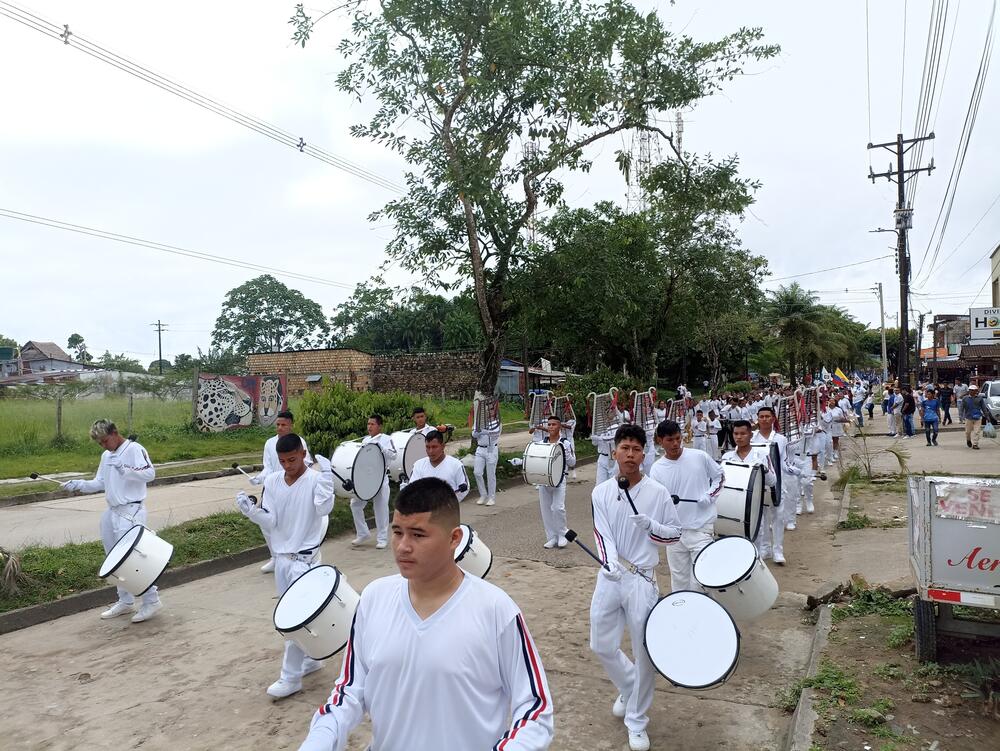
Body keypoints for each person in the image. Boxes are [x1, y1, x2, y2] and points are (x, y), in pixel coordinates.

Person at [298, 478, 554, 751]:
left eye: (418, 535)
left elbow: (535, 708)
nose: (403, 546)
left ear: (454, 538)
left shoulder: (496, 610)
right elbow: (350, 689)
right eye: (397, 532)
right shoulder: (373, 598)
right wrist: (321, 736)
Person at [590, 425, 680, 751]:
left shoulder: (657, 492)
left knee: (643, 652)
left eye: (636, 449)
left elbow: (675, 534)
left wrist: (652, 526)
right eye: (625, 448)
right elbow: (602, 534)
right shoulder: (600, 492)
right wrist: (610, 562)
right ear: (614, 451)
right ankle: (629, 686)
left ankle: (637, 720)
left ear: (644, 454)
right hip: (611, 576)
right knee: (601, 644)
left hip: (643, 579)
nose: (630, 454)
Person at [236, 433, 334, 698]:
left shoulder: (315, 480)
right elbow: (271, 522)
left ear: (303, 453)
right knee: (295, 617)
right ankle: (312, 659)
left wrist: (327, 482)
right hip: (282, 560)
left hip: (305, 561)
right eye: (282, 461)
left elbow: (324, 510)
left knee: (294, 619)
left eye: (292, 459)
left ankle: (290, 678)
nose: (288, 465)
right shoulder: (272, 481)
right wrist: (252, 512)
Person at [62, 419, 163, 623]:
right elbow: (100, 483)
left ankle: (151, 600)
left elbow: (151, 474)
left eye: (105, 441)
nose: (103, 445)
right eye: (100, 443)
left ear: (115, 433)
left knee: (133, 559)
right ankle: (125, 601)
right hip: (112, 511)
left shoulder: (135, 449)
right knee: (113, 559)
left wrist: (126, 469)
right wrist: (79, 485)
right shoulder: (106, 455)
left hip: (131, 510)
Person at [649, 420, 724, 592]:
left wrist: (710, 495)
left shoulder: (699, 457)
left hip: (701, 528)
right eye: (670, 440)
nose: (675, 443)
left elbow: (720, 476)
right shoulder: (657, 469)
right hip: (675, 533)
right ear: (660, 440)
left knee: (700, 582)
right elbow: (657, 501)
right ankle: (682, 616)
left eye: (678, 438)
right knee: (679, 581)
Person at [253, 410, 314, 574]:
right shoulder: (269, 443)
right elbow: (268, 467)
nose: (280, 428)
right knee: (265, 523)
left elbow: (306, 463)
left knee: (288, 523)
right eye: (278, 424)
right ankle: (275, 556)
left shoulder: (299, 442)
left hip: (292, 488)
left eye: (283, 425)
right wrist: (259, 478)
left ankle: (297, 556)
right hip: (272, 489)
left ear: (290, 425)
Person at [753, 407, 800, 562]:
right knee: (762, 519)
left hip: (777, 484)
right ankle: (765, 548)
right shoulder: (752, 438)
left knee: (778, 517)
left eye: (768, 416)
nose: (765, 419)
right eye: (762, 416)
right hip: (759, 485)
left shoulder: (780, 439)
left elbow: (784, 462)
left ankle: (778, 551)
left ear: (773, 418)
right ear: (757, 419)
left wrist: (796, 470)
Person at [351, 414, 397, 549]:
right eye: (368, 424)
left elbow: (394, 455)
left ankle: (382, 538)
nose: (369, 427)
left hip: (380, 478)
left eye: (372, 424)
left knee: (381, 508)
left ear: (379, 426)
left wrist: (382, 448)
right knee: (355, 504)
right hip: (366, 478)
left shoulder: (386, 439)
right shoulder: (365, 440)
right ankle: (363, 533)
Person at [535, 415, 576, 548]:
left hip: (559, 479)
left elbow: (572, 462)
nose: (551, 427)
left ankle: (562, 534)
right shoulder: (542, 442)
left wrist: (567, 454)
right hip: (544, 479)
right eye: (549, 424)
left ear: (559, 426)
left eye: (554, 424)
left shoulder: (565, 443)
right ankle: (552, 537)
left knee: (558, 508)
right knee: (546, 510)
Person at [407, 430, 469, 501]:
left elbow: (464, 488)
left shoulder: (456, 465)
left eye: (434, 447)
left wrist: (448, 504)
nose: (430, 451)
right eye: (428, 447)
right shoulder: (418, 465)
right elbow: (412, 488)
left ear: (443, 446)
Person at [471, 403, 501, 506]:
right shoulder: (478, 421)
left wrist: (483, 431)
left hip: (491, 449)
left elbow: (495, 434)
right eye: (489, 409)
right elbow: (474, 434)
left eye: (492, 410)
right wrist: (480, 431)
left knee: (491, 474)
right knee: (477, 472)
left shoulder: (497, 422)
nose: (490, 412)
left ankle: (491, 497)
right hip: (480, 449)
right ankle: (483, 494)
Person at [962, 385, 987, 450]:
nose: (973, 392)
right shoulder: (965, 398)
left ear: (976, 391)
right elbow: (962, 408)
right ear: (969, 391)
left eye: (974, 390)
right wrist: (962, 416)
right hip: (968, 417)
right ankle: (968, 440)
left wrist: (987, 416)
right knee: (968, 431)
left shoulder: (980, 398)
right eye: (971, 390)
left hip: (978, 417)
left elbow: (983, 408)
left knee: (977, 431)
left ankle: (975, 444)